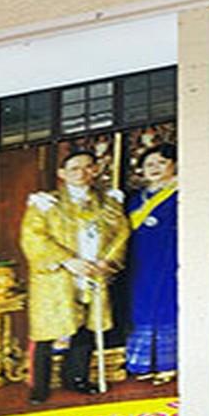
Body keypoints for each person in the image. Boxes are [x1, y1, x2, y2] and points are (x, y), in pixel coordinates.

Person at [18, 148, 126, 402]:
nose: (82, 173)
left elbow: (121, 234)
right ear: (62, 174)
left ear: (97, 170)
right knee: (47, 331)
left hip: (94, 271)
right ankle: (39, 385)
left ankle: (76, 377)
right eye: (75, 168)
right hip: (57, 276)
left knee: (86, 327)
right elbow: (33, 238)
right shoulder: (46, 203)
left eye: (88, 167)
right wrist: (68, 260)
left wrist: (106, 262)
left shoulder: (109, 203)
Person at [122, 144, 179, 382]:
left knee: (167, 305)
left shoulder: (181, 191)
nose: (154, 168)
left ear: (173, 164)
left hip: (170, 256)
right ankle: (143, 365)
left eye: (161, 163)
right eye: (149, 165)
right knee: (141, 307)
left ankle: (169, 364)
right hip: (141, 260)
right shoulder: (134, 200)